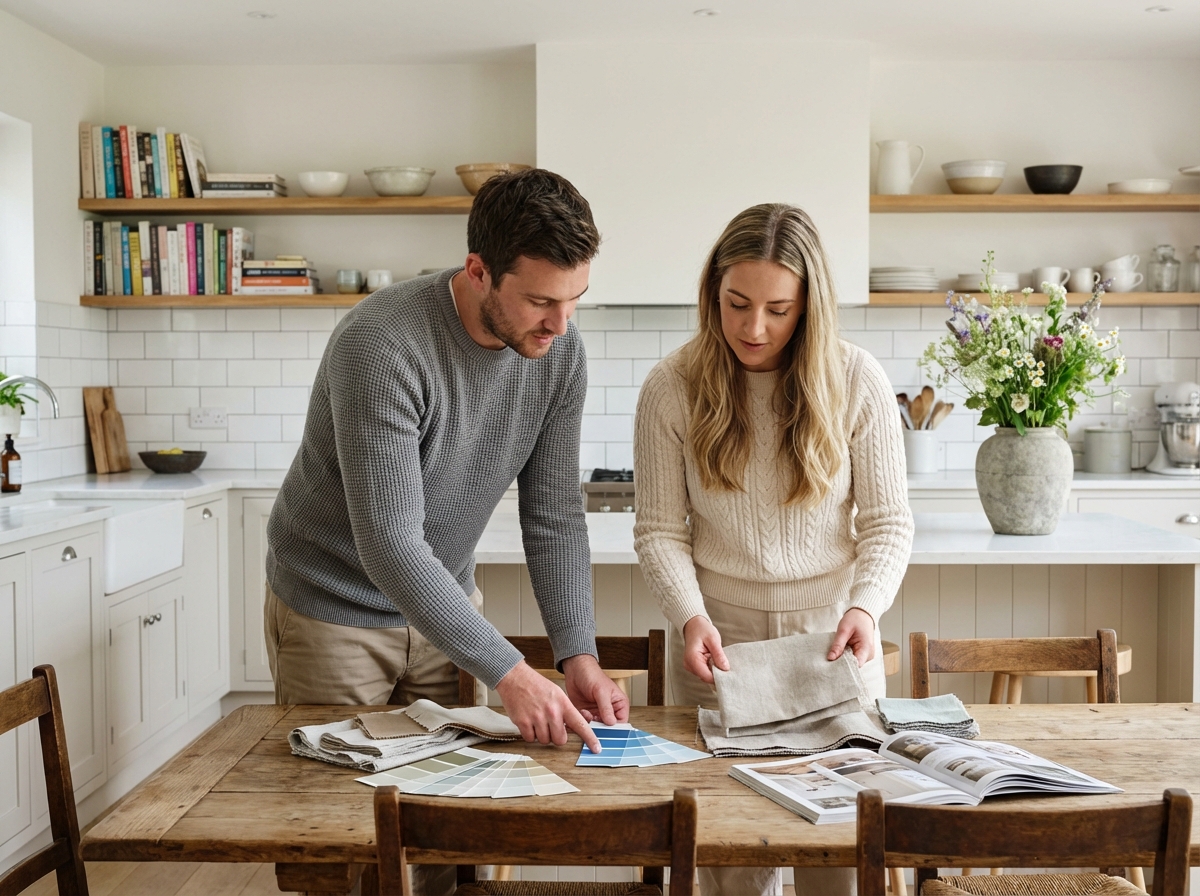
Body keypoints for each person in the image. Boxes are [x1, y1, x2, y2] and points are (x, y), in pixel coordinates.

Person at [265, 166, 629, 751]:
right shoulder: (382, 345)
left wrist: (577, 653)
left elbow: (554, 513)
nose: (561, 325)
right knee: (330, 814)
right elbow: (390, 544)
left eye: (574, 300)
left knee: (450, 802)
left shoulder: (559, 352)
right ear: (479, 271)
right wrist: (511, 673)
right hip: (334, 612)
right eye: (540, 301)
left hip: (447, 607)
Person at [633, 203, 914, 896]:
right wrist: (690, 616)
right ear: (713, 294)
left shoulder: (856, 380)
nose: (753, 328)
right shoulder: (672, 387)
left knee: (843, 861)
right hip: (718, 647)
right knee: (733, 862)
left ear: (810, 308)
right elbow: (660, 530)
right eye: (736, 304)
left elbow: (888, 523)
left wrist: (867, 609)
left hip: (831, 644)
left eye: (778, 309)